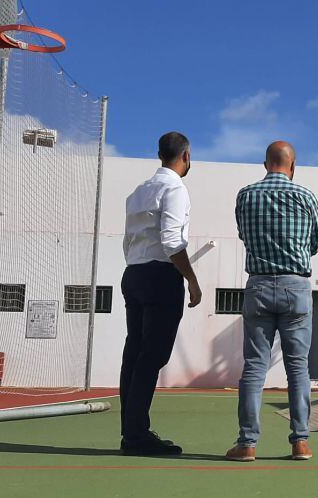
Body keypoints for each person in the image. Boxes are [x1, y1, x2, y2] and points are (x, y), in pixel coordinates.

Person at [225, 141, 318, 462]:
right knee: (298, 368)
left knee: (254, 367)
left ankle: (247, 443)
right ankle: (301, 442)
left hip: (259, 286)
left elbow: (243, 235)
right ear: (292, 165)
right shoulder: (306, 196)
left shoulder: (245, 195)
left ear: (265, 163)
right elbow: (314, 243)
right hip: (296, 287)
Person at [119, 131, 202, 456]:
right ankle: (137, 435)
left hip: (134, 272)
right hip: (159, 276)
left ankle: (132, 431)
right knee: (152, 356)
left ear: (159, 155)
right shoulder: (175, 189)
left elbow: (129, 239)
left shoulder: (139, 191)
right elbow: (171, 241)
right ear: (186, 156)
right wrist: (191, 280)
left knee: (135, 353)